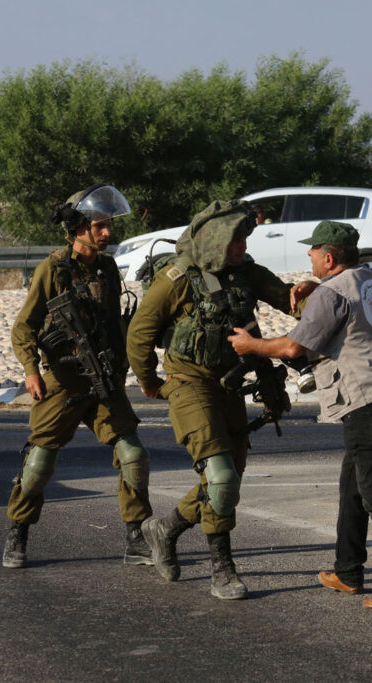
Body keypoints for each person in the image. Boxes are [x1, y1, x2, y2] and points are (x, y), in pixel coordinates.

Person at [228, 220, 372, 609]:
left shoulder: (332, 293)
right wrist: (318, 288)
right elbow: (352, 304)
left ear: (329, 257)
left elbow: (292, 349)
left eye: (313, 251)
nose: (308, 256)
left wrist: (251, 344)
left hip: (365, 402)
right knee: (352, 487)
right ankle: (348, 571)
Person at [127, 199, 313, 600]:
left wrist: (311, 293)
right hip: (187, 381)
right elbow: (140, 334)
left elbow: (288, 299)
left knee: (226, 481)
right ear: (215, 240)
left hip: (229, 383)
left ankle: (165, 529)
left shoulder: (246, 273)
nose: (243, 247)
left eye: (245, 238)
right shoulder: (177, 279)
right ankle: (222, 568)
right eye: (236, 240)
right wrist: (150, 382)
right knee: (221, 477)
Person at [2, 184, 153, 569]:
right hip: (64, 380)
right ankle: (18, 531)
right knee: (39, 465)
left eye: (108, 226)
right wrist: (31, 371)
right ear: (79, 228)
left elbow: (115, 322)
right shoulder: (52, 270)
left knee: (133, 455)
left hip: (103, 379)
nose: (107, 233)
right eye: (100, 226)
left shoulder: (106, 267)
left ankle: (136, 536)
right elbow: (25, 327)